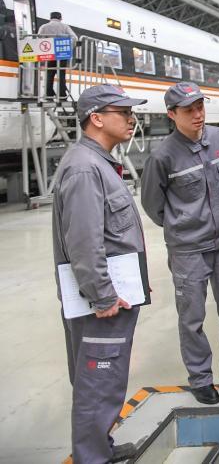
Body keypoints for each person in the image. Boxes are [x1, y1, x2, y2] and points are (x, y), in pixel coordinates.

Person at [140, 83, 219, 404]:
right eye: (189, 110)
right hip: (188, 250)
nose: (198, 115)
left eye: (200, 107)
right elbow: (153, 205)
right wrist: (183, 225)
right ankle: (200, 378)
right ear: (172, 115)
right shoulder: (162, 157)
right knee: (192, 317)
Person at [51, 84, 147, 464]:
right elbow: (83, 242)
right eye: (123, 112)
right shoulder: (85, 168)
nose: (131, 118)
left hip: (114, 295)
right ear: (96, 119)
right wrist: (102, 294)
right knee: (97, 381)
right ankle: (92, 458)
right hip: (102, 303)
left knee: (104, 378)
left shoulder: (97, 163)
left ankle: (99, 447)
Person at [38, 11, 77, 99]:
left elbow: (39, 39)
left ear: (50, 18)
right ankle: (62, 94)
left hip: (50, 54)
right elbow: (74, 38)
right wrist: (69, 48)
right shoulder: (65, 27)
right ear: (60, 18)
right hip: (62, 54)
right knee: (61, 74)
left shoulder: (44, 27)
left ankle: (49, 94)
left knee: (49, 74)